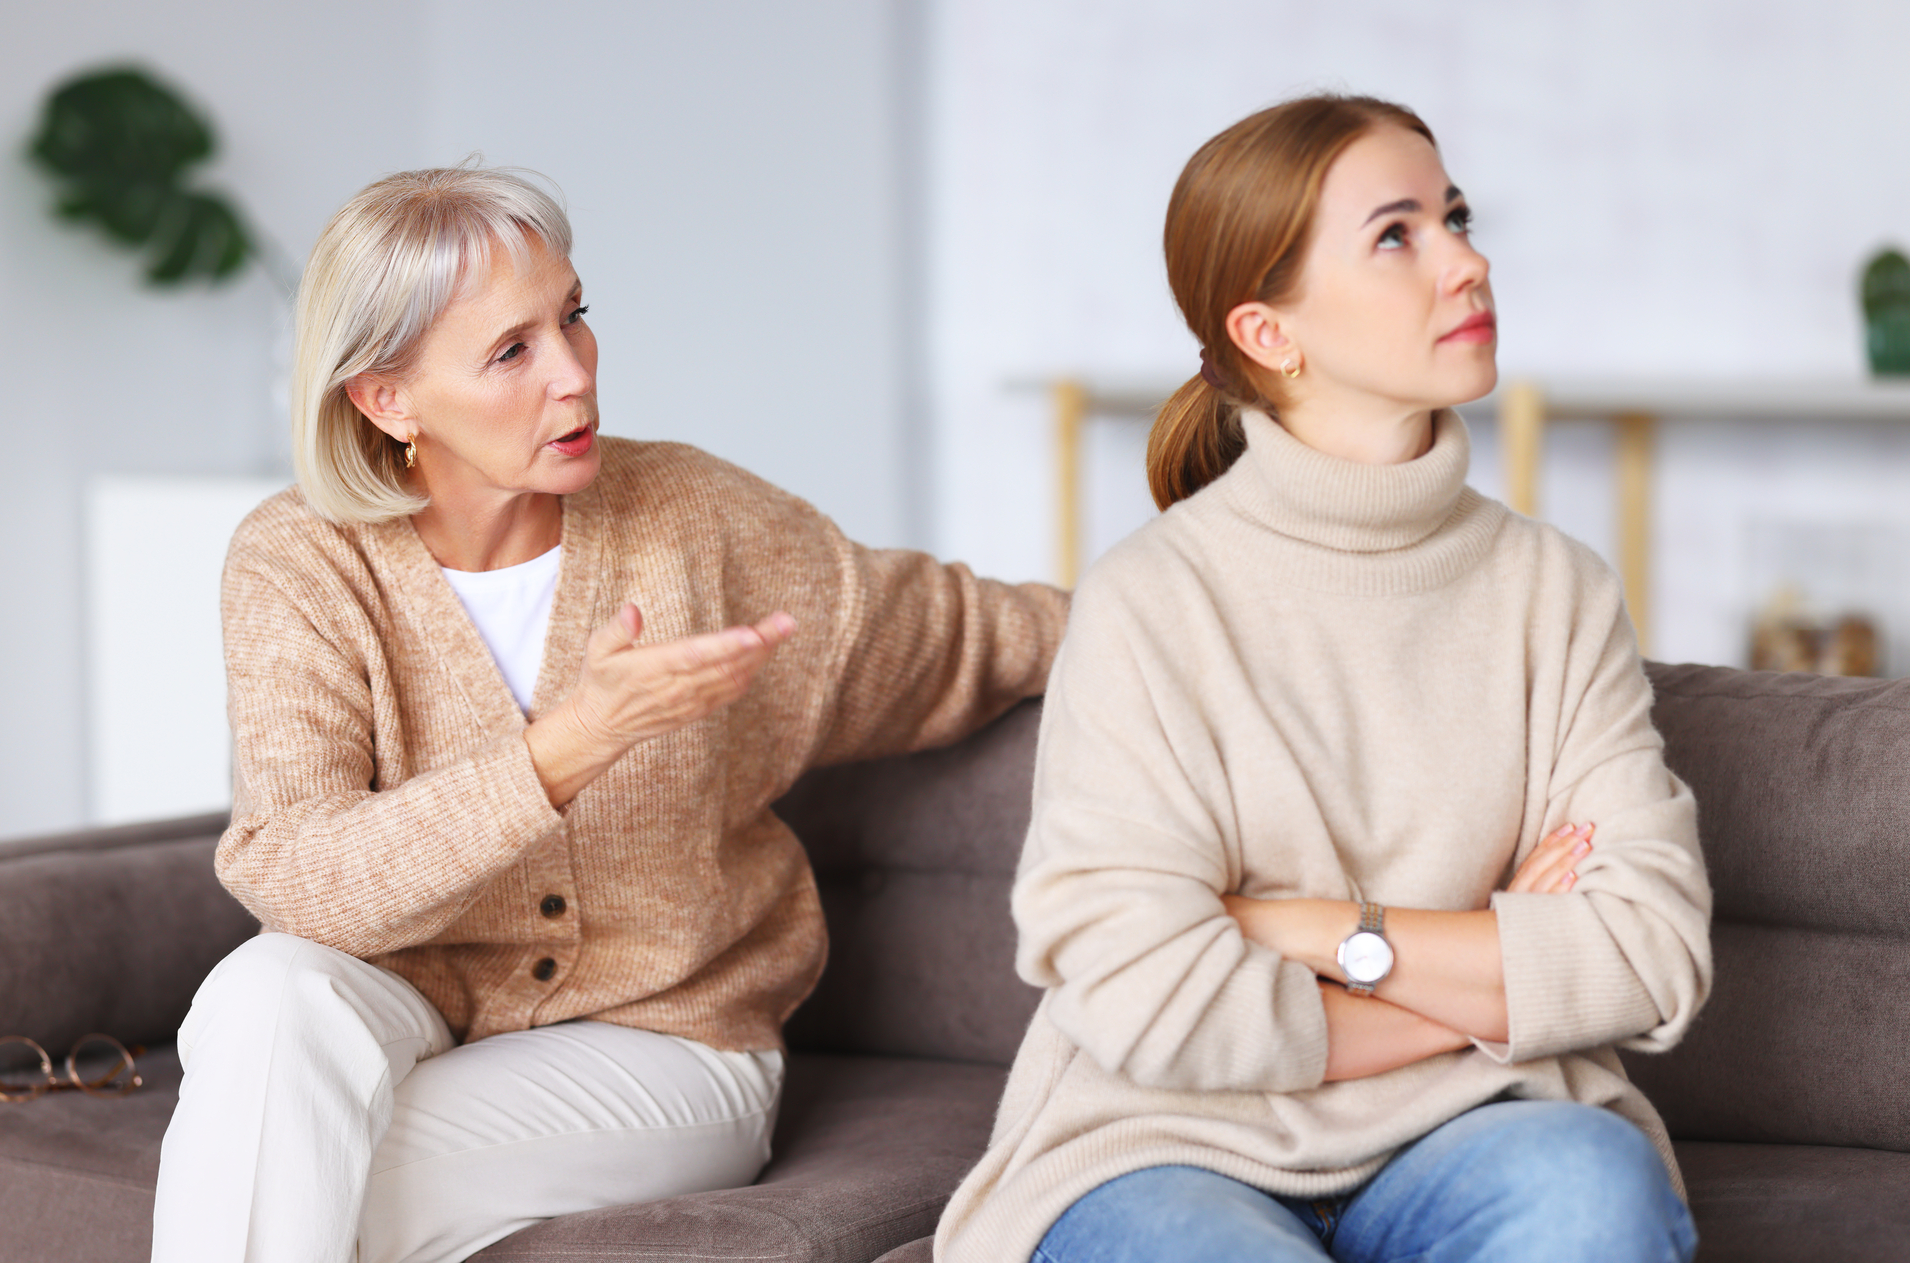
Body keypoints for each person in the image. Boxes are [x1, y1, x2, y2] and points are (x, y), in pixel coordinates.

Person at [149, 166, 1068, 1263]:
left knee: (279, 1179)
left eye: (573, 318)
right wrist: (568, 746)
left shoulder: (691, 520)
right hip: (403, 1012)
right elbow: (295, 877)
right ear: (387, 399)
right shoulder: (300, 560)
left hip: (665, 1042)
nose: (574, 375)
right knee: (266, 990)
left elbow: (962, 631)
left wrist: (1220, 613)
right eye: (511, 352)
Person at [934, 95, 1712, 1263]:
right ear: (1267, 332)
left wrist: (1303, 928)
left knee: (1591, 1190)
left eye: (1452, 216)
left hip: (1476, 1133)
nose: (1466, 260)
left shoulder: (1554, 590)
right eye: (1397, 235)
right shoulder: (1152, 601)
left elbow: (1643, 953)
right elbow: (1147, 996)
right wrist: (1494, 971)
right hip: (1158, 1148)